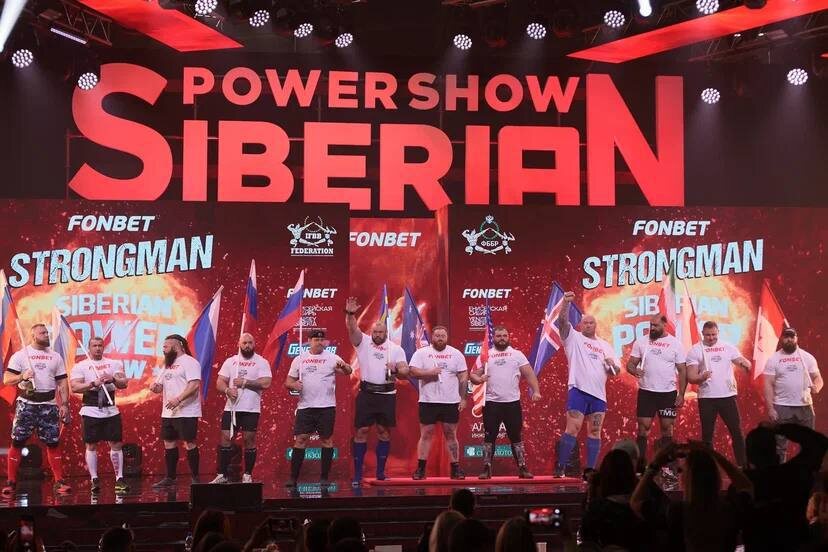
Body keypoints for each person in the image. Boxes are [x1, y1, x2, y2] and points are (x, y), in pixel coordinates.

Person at [630, 442, 753, 552]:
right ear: (715, 476)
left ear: (686, 479)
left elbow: (636, 501)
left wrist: (655, 464)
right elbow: (746, 486)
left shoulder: (676, 511)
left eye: (682, 471)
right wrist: (712, 454)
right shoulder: (729, 509)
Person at [553, 292, 621, 477]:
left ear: (595, 325)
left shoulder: (606, 346)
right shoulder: (573, 338)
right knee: (572, 429)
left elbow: (616, 372)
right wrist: (566, 303)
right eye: (585, 323)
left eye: (591, 323)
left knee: (595, 431)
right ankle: (560, 467)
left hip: (598, 395)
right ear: (580, 324)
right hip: (578, 390)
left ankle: (590, 470)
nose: (588, 325)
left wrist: (612, 365)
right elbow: (562, 322)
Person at [345, 297, 408, 486]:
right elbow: (352, 329)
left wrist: (396, 369)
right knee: (362, 431)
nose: (377, 334)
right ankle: (357, 474)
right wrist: (350, 314)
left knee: (383, 432)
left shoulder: (395, 349)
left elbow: (405, 370)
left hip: (387, 396)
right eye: (375, 331)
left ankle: (380, 473)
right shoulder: (363, 342)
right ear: (371, 332)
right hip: (367, 394)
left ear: (386, 333)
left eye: (381, 332)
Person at [2, 324, 71, 496]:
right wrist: (22, 376)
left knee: (53, 443)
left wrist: (64, 404)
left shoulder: (55, 357)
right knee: (17, 442)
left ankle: (59, 481)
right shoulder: (21, 355)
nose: (47, 335)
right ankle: (11, 482)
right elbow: (6, 379)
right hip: (27, 404)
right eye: (42, 333)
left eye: (47, 332)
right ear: (33, 336)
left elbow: (62, 382)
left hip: (49, 404)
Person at [469, 326, 542, 479]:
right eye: (499, 336)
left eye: (504, 335)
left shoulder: (517, 354)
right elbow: (473, 375)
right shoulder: (486, 355)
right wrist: (479, 379)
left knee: (516, 436)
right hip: (491, 403)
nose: (502, 338)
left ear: (508, 337)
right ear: (493, 338)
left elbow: (529, 374)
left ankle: (522, 467)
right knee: (489, 437)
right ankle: (486, 468)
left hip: (512, 403)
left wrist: (536, 391)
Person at [743, 423, 828, 552]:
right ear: (776, 455)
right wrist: (778, 428)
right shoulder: (795, 475)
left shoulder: (742, 489)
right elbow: (819, 443)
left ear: (749, 459)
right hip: (797, 546)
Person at [285, 329, 352, 487]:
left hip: (326, 407)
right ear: (309, 341)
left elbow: (348, 371)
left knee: (326, 440)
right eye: (316, 340)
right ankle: (293, 478)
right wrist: (294, 385)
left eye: (322, 340)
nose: (320, 342)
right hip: (305, 407)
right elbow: (288, 382)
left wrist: (344, 366)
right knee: (300, 440)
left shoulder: (332, 358)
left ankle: (324, 478)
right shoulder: (299, 359)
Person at [626, 314, 687, 474]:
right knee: (643, 428)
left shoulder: (675, 344)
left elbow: (682, 370)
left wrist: (681, 394)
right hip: (646, 393)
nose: (652, 328)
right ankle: (640, 467)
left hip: (668, 394)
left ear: (664, 326)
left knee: (667, 429)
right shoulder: (641, 342)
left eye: (656, 326)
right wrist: (634, 370)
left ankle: (668, 467)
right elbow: (630, 364)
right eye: (651, 325)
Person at [686, 321, 751, 467]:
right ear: (703, 334)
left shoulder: (728, 347)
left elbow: (740, 361)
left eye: (714, 335)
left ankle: (742, 465)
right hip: (707, 398)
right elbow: (691, 377)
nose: (711, 338)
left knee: (736, 431)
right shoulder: (695, 350)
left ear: (718, 333)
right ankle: (708, 467)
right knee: (707, 435)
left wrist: (745, 364)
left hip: (727, 396)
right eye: (708, 335)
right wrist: (701, 377)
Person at [69, 336, 130, 493]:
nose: (97, 348)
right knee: (91, 445)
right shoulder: (81, 366)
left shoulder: (114, 364)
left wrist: (112, 379)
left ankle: (119, 478)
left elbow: (123, 383)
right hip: (90, 408)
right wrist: (92, 384)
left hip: (110, 409)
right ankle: (94, 479)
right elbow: (74, 387)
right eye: (94, 345)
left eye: (100, 345)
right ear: (89, 348)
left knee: (116, 443)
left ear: (104, 347)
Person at [210, 333, 272, 484]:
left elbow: (266, 383)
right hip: (231, 408)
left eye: (250, 343)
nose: (247, 346)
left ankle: (247, 474)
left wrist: (245, 382)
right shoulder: (231, 361)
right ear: (239, 344)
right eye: (244, 343)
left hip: (251, 409)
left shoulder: (261, 362)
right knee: (226, 438)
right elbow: (220, 382)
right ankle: (222, 474)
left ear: (254, 344)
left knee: (249, 440)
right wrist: (227, 390)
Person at [409, 326, 468, 480]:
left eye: (443, 336)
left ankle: (455, 469)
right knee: (426, 434)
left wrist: (463, 398)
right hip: (428, 401)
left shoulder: (456, 354)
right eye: (437, 336)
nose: (440, 338)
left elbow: (463, 377)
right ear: (432, 337)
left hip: (450, 402)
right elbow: (412, 371)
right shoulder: (421, 353)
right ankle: (420, 469)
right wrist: (429, 373)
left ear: (447, 337)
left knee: (451, 434)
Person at [149, 334, 202, 488]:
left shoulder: (190, 362)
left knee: (189, 442)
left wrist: (179, 399)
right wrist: (156, 388)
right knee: (169, 442)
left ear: (176, 346)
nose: (163, 350)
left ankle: (195, 477)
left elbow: (194, 385)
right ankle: (170, 477)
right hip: (168, 412)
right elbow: (161, 387)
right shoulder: (167, 365)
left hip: (186, 411)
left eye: (166, 347)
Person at [763, 327, 822, 461]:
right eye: (786, 337)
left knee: (809, 444)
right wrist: (770, 408)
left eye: (792, 337)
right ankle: (780, 472)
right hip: (781, 407)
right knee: (779, 446)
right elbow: (768, 385)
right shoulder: (773, 359)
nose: (789, 339)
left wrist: (817, 387)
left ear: (796, 338)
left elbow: (818, 378)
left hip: (804, 407)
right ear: (782, 339)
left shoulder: (807, 357)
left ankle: (807, 472)